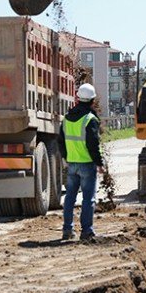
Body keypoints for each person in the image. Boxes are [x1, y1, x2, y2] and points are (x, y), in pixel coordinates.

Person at [59, 83, 104, 242]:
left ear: (78, 99)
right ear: (92, 101)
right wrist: (99, 163)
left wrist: (66, 157)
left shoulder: (66, 118)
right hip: (87, 164)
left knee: (70, 198)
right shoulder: (90, 119)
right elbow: (93, 145)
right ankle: (86, 231)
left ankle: (67, 230)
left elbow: (61, 142)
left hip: (72, 164)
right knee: (88, 199)